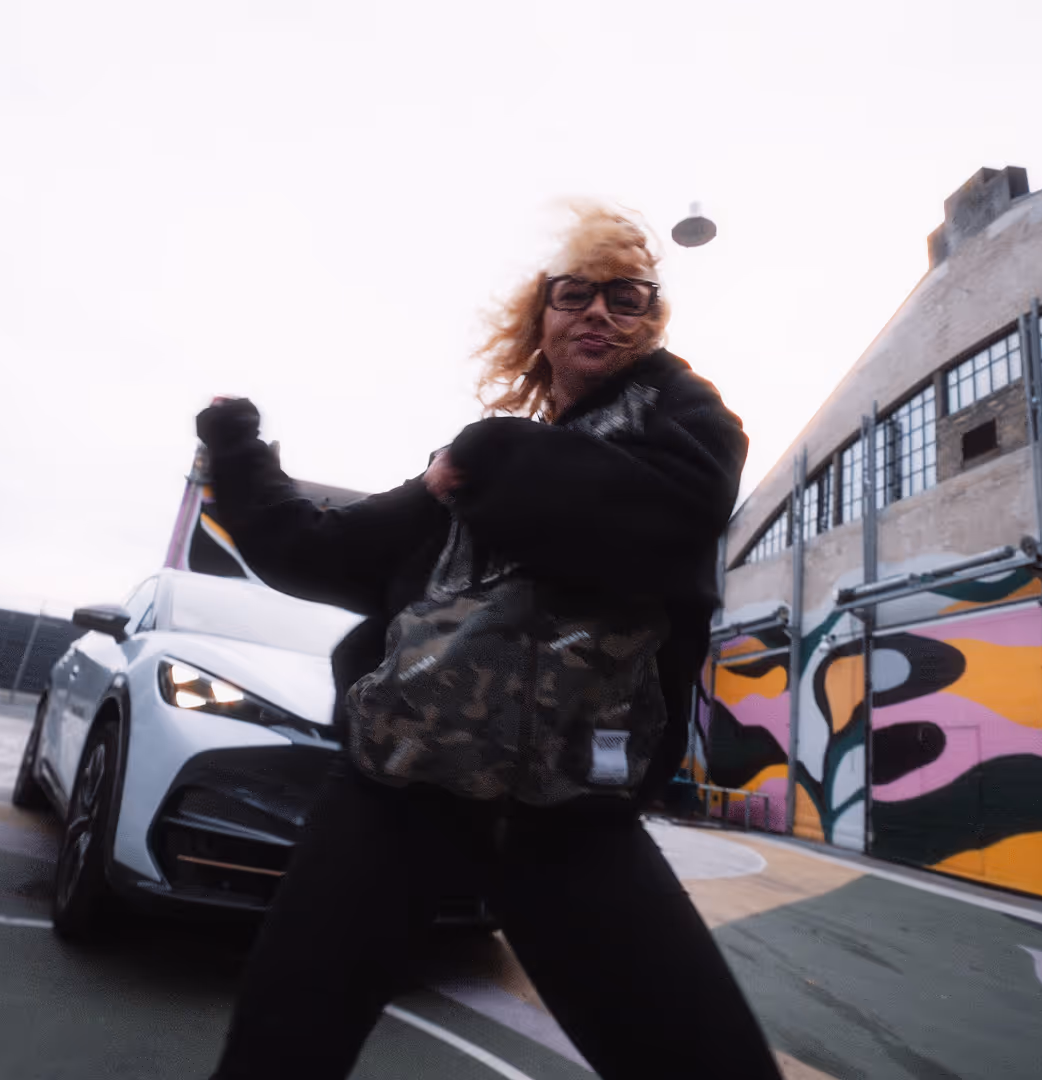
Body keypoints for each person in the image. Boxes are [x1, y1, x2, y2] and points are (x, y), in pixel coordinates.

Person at [197, 205, 780, 1079]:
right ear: (536, 323)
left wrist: (486, 456)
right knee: (281, 1052)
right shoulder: (459, 488)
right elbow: (319, 548)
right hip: (397, 790)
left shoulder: (676, 426)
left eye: (627, 300)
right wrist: (237, 451)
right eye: (573, 295)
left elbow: (665, 516)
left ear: (652, 324)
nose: (597, 313)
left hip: (570, 815)